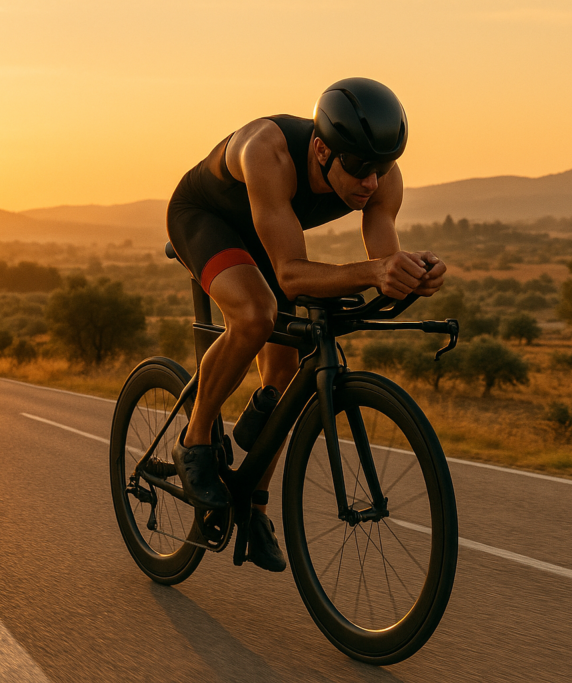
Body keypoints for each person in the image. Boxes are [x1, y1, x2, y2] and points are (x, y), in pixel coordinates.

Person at [166, 77, 447, 571]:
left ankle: (252, 502)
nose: (370, 183)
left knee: (286, 367)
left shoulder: (380, 176)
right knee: (256, 316)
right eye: (359, 168)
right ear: (320, 149)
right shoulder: (268, 151)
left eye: (381, 169)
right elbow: (291, 276)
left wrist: (406, 274)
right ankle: (195, 441)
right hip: (206, 219)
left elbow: (382, 258)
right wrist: (377, 271)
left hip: (268, 232)